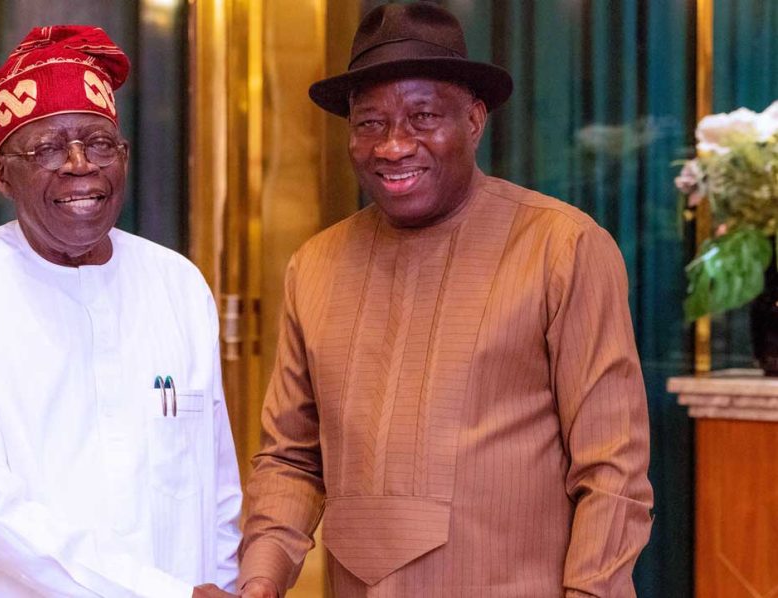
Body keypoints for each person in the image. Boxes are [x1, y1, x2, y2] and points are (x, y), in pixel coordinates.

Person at [237, 3, 653, 597]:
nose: (393, 146)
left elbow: (613, 470)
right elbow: (290, 460)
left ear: (475, 119)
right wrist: (261, 580)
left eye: (422, 116)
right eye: (369, 124)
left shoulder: (561, 247)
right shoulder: (315, 265)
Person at [0, 25, 241, 597]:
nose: (80, 165)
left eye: (99, 142)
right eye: (47, 148)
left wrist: (221, 585)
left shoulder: (177, 284)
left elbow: (217, 486)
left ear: (124, 157)